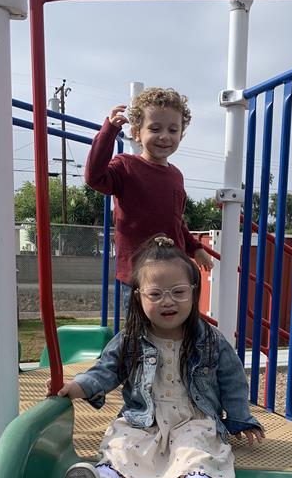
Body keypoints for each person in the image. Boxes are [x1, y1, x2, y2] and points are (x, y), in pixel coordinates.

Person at [51, 236, 264, 478]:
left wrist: (241, 418)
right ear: (139, 297)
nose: (168, 301)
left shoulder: (211, 340)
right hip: (144, 418)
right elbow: (106, 370)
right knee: (122, 446)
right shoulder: (130, 338)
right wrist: (78, 386)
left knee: (196, 450)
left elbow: (233, 382)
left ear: (194, 293)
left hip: (193, 417)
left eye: (178, 292)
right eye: (156, 294)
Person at [84, 87, 213, 313]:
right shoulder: (126, 166)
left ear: (181, 134)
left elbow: (175, 222)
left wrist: (195, 248)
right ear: (136, 132)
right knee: (139, 336)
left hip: (173, 272)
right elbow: (95, 177)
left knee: (175, 331)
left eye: (173, 130)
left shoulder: (176, 176)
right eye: (155, 128)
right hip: (138, 274)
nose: (165, 136)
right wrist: (109, 132)